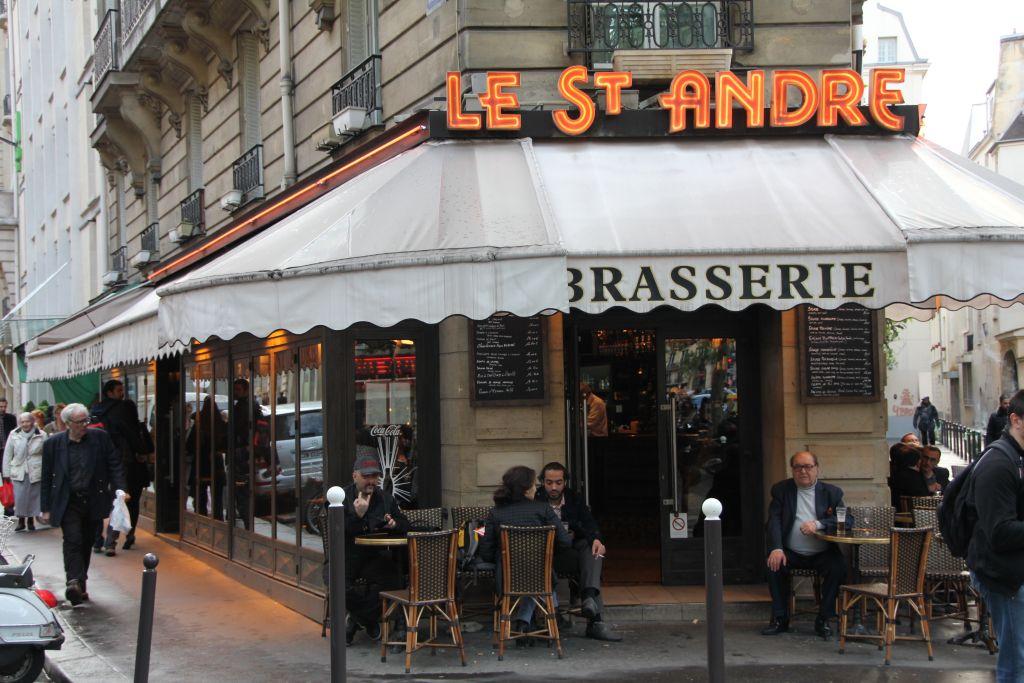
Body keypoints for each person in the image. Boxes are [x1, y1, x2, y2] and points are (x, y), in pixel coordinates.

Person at [40, 403, 127, 605]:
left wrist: (120, 489)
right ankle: (73, 581)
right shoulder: (53, 444)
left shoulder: (100, 438)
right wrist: (45, 508)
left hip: (93, 499)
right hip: (68, 501)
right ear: (67, 423)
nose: (84, 425)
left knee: (87, 541)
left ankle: (80, 582)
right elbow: (46, 478)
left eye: (86, 420)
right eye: (79, 422)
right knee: (73, 540)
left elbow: (114, 463)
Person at [967, 389, 1024, 682]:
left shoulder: (1017, 458)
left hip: (1014, 572)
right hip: (1005, 577)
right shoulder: (999, 464)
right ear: (1016, 420)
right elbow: (999, 532)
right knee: (1017, 664)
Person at [762, 451, 848, 639]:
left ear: (817, 469)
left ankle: (824, 619)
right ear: (792, 470)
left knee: (839, 567)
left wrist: (819, 524)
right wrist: (776, 548)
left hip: (822, 552)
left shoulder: (832, 493)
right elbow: (774, 521)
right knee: (773, 565)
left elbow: (847, 520)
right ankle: (780, 619)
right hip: (791, 552)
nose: (803, 471)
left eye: (808, 466)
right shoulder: (781, 490)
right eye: (798, 467)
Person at [479, 465, 572, 637]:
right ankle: (549, 616)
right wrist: (546, 554)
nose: (536, 488)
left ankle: (524, 622)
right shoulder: (543, 509)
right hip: (540, 576)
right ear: (526, 489)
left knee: (531, 574)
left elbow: (486, 551)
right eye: (533, 484)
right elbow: (565, 541)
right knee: (536, 575)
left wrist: (502, 558)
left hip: (507, 578)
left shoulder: (496, 513)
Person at [535, 462, 622, 642]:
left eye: (558, 482)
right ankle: (596, 622)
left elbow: (589, 523)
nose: (554, 487)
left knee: (594, 551)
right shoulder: (536, 499)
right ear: (542, 482)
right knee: (587, 565)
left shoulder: (573, 498)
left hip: (572, 552)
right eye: (549, 482)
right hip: (546, 555)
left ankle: (589, 597)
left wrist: (596, 539)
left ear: (565, 482)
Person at [340, 456, 408, 643]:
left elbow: (404, 523)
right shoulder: (342, 497)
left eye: (374, 476)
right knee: (339, 586)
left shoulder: (385, 498)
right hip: (345, 556)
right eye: (366, 477)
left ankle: (356, 619)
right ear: (354, 476)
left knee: (395, 581)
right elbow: (339, 530)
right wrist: (358, 515)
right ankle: (367, 619)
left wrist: (394, 524)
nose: (371, 481)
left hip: (373, 556)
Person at [92, 379, 152, 555]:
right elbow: (131, 435)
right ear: (109, 392)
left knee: (99, 501)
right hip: (123, 462)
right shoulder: (123, 409)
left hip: (99, 463)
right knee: (121, 501)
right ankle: (113, 541)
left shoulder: (96, 410)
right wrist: (141, 450)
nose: (122, 393)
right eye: (119, 390)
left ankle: (97, 540)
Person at [2, 412, 47, 532]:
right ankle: (21, 521)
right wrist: (6, 473)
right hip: (19, 469)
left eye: (27, 421)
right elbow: (8, 454)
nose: (25, 424)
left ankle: (31, 521)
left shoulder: (41, 434)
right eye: (22, 422)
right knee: (20, 498)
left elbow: (47, 454)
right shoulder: (14, 434)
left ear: (32, 422)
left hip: (35, 469)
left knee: (32, 497)